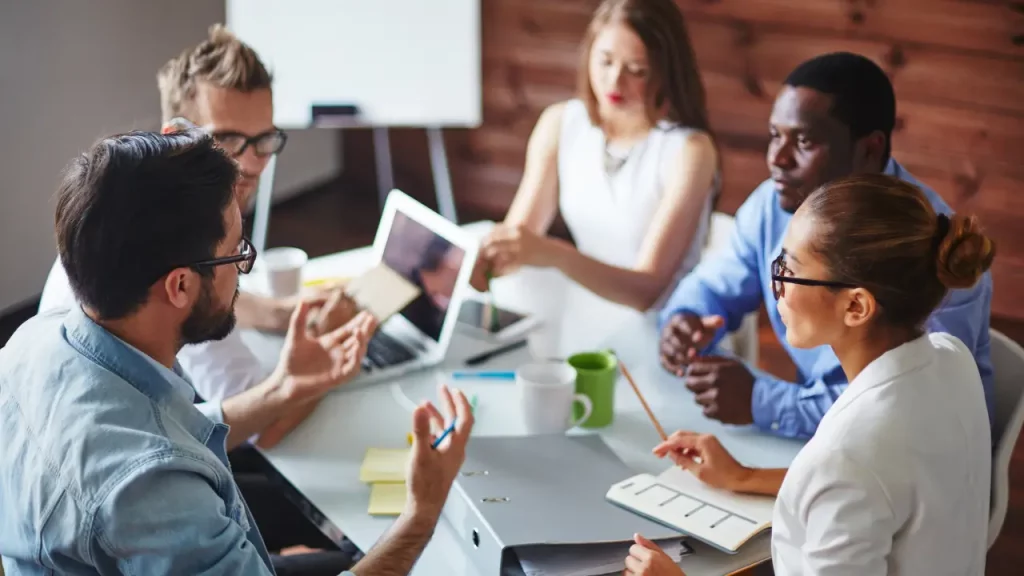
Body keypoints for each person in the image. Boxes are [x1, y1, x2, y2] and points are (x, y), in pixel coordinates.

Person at [0, 130, 474, 576]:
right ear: (180, 285)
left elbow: (163, 432)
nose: (243, 270)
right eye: (237, 253)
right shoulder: (152, 488)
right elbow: (152, 463)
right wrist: (422, 513)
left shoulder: (33, 341)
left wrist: (285, 388)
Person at [626, 174, 994, 575]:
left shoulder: (848, 456)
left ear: (856, 307)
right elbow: (879, 490)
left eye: (789, 268)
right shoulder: (952, 358)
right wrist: (743, 476)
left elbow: (854, 476)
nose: (775, 285)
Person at [37, 25, 352, 445]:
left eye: (263, 140)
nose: (252, 165)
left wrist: (282, 313)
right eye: (227, 139)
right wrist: (334, 364)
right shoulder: (183, 248)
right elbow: (263, 427)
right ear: (176, 134)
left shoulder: (122, 205)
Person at [658, 52, 994, 439]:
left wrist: (763, 401)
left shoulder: (928, 248)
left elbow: (906, 411)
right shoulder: (773, 203)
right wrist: (684, 320)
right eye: (774, 136)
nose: (777, 159)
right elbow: (715, 285)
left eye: (803, 140)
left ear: (868, 149)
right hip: (836, 444)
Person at [473, 0, 719, 312]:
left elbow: (648, 291)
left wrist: (555, 254)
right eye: (605, 62)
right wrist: (478, 265)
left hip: (669, 325)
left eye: (637, 70)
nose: (615, 82)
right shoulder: (561, 123)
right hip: (587, 309)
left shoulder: (691, 151)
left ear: (665, 71)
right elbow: (519, 239)